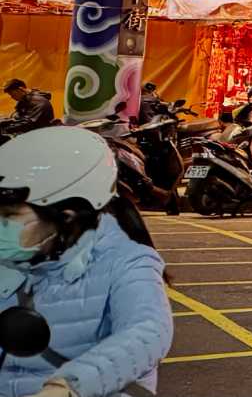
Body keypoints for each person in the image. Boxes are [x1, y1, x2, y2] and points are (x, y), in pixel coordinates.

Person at [0, 126, 171, 397]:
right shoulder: (12, 259)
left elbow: (147, 332)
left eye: (9, 216)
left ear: (66, 217)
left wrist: (68, 386)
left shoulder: (127, 260)